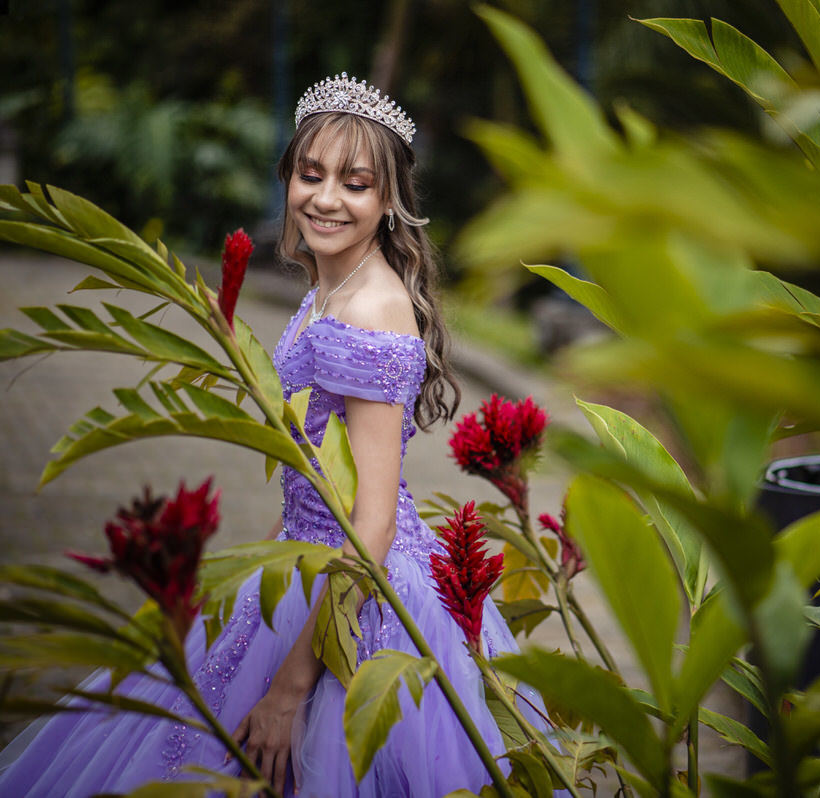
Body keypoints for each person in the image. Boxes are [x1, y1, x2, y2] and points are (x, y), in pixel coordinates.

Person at [0, 73, 529, 797]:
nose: (327, 198)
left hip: (356, 591)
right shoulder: (328, 285)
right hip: (300, 565)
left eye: (356, 183)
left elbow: (369, 524)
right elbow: (316, 468)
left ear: (389, 203)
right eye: (311, 175)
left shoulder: (371, 310)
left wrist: (289, 687)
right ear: (287, 178)